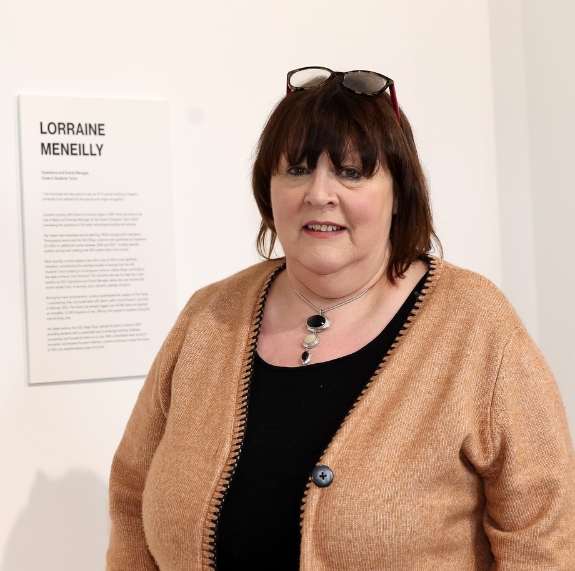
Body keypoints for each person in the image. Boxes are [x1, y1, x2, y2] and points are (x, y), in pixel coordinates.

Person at [106, 68, 575, 569]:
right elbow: (133, 496)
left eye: (351, 172)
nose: (318, 193)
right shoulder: (208, 317)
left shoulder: (477, 326)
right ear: (268, 189)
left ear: (400, 193)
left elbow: (542, 537)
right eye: (297, 170)